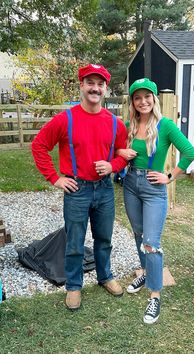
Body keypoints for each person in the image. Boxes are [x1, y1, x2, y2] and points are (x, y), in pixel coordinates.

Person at [32, 63, 128, 310]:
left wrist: (113, 165)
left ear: (106, 88)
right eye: (90, 83)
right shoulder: (66, 119)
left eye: (100, 84)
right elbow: (39, 145)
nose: (95, 88)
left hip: (105, 190)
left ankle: (105, 276)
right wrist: (55, 178)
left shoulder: (116, 123)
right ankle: (74, 286)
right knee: (74, 242)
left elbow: (122, 154)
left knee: (104, 238)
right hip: (77, 191)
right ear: (82, 86)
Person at [117, 78, 194, 324]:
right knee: (139, 235)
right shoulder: (128, 125)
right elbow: (114, 149)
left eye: (147, 96)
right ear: (133, 101)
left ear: (154, 99)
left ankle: (154, 296)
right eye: (137, 98)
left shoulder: (166, 126)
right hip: (130, 185)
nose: (143, 102)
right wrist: (121, 153)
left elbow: (190, 152)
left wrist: (169, 176)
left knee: (151, 242)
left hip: (153, 189)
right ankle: (146, 273)